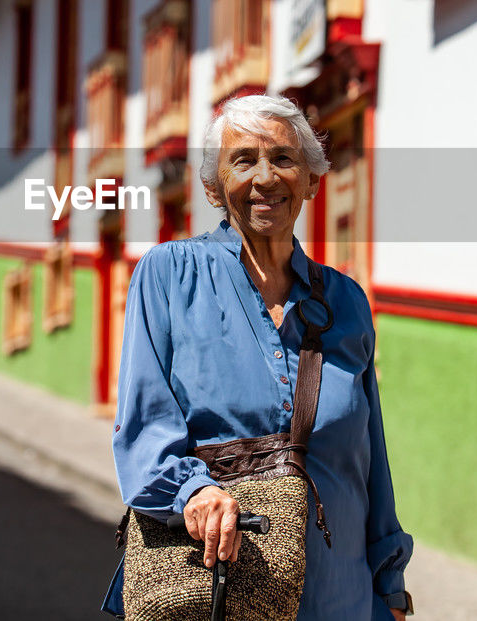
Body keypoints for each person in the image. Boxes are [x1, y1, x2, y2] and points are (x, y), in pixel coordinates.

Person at [104, 94, 413, 619]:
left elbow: (369, 461)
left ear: (312, 181)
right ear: (212, 186)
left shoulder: (346, 302)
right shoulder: (168, 277)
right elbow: (144, 428)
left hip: (342, 599)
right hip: (219, 593)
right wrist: (192, 493)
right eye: (243, 160)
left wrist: (390, 588)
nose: (265, 177)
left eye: (284, 159)